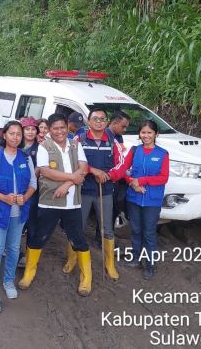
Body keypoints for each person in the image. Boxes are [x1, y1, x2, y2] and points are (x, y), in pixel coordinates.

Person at [19, 113, 92, 296]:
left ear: (67, 127)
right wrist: (72, 177)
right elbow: (45, 171)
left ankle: (86, 277)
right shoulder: (44, 146)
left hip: (72, 202)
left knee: (78, 238)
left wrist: (68, 184)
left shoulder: (76, 144)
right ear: (49, 130)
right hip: (49, 200)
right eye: (55, 128)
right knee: (39, 236)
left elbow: (83, 168)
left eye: (62, 127)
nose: (59, 131)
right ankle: (29, 271)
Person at [0, 121, 37, 312]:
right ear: (4, 135)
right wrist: (2, 197)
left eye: (18, 134)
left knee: (13, 249)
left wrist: (25, 197)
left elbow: (33, 183)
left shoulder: (25, 158)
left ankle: (9, 281)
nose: (15, 137)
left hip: (18, 214)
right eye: (11, 133)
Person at [109, 120, 169, 280]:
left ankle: (149, 264)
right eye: (143, 132)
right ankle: (136, 258)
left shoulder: (162, 154)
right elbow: (124, 171)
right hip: (134, 198)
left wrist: (141, 181)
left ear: (156, 134)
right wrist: (131, 183)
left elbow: (163, 178)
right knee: (135, 230)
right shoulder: (135, 151)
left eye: (149, 132)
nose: (146, 136)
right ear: (139, 134)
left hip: (152, 200)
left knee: (149, 232)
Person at [73, 108, 124, 281]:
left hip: (106, 191)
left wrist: (108, 175)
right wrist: (93, 171)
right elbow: (72, 160)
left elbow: (121, 165)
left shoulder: (112, 141)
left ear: (107, 122)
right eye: (95, 118)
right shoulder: (79, 139)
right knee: (77, 226)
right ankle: (72, 260)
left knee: (107, 228)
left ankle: (110, 264)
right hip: (83, 190)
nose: (99, 121)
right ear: (89, 121)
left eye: (103, 119)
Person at [18, 116, 40, 267]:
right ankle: (15, 250)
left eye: (33, 129)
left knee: (31, 223)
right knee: (16, 222)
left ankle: (28, 254)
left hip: (33, 191)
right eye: (27, 129)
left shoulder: (41, 148)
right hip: (16, 189)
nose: (31, 132)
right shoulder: (15, 146)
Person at [107, 110, 131, 228]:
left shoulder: (118, 137)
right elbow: (116, 162)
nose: (125, 130)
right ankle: (103, 237)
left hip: (117, 176)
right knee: (108, 211)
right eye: (123, 126)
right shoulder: (106, 137)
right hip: (109, 177)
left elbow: (121, 158)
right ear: (114, 123)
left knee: (114, 209)